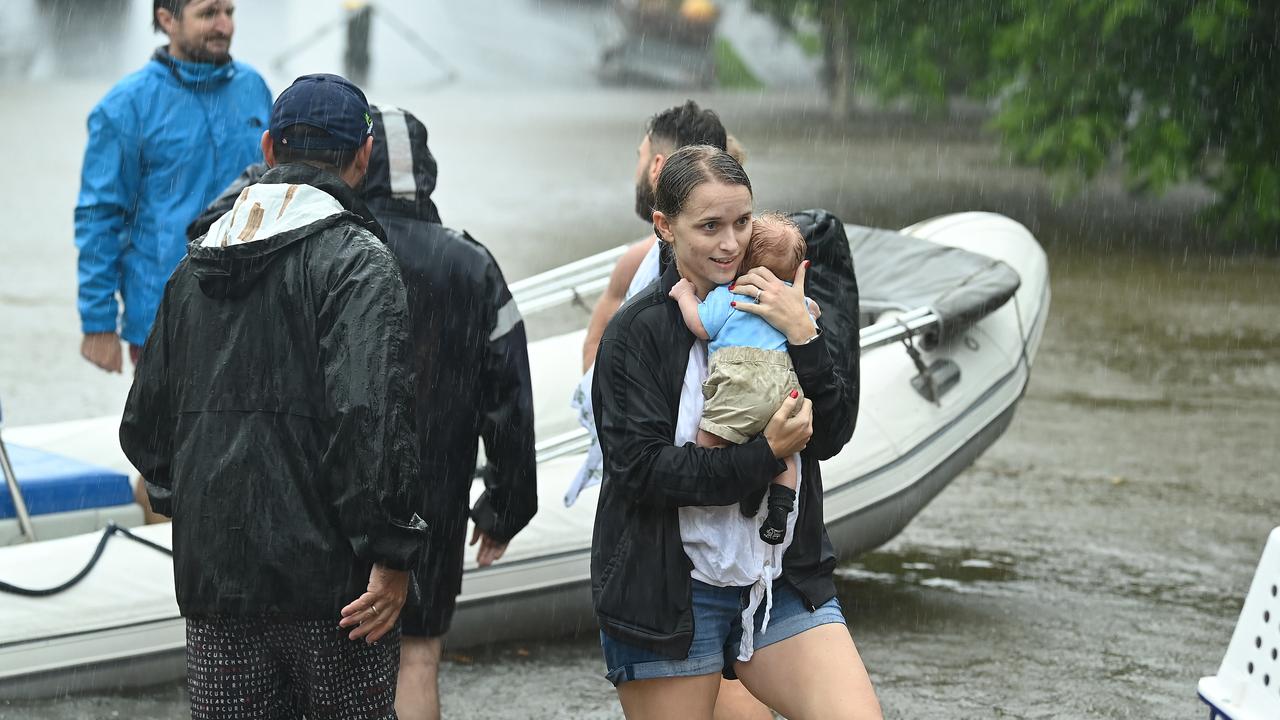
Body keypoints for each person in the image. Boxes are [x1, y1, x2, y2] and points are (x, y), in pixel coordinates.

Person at [187, 104, 540, 720]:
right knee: (420, 654)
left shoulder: (312, 248)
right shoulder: (470, 264)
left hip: (325, 508)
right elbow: (509, 396)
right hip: (430, 498)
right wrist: (507, 505)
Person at [119, 74, 427, 719]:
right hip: (336, 592)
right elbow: (369, 420)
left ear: (266, 149)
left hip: (217, 584)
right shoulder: (358, 260)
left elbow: (146, 432)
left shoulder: (192, 266)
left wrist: (199, 507)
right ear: (362, 158)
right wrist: (391, 552)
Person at [590, 145, 882, 719]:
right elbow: (642, 472)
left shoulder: (784, 304)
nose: (731, 244)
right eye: (710, 226)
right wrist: (766, 456)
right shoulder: (637, 333)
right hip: (669, 592)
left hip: (778, 579)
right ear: (664, 226)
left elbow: (830, 434)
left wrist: (806, 338)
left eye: (742, 222)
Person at [76, 0, 271, 374]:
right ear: (167, 20)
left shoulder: (254, 87)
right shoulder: (123, 106)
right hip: (163, 315)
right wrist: (98, 323)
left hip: (254, 310)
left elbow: (284, 187)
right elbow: (99, 216)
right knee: (170, 433)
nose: (224, 26)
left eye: (229, 12)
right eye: (208, 14)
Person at [669, 212, 815, 546]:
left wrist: (683, 296)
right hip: (783, 387)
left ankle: (744, 485)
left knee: (710, 442)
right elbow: (811, 316)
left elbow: (701, 325)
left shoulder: (729, 292)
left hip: (739, 383)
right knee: (787, 450)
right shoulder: (791, 299)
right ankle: (780, 508)